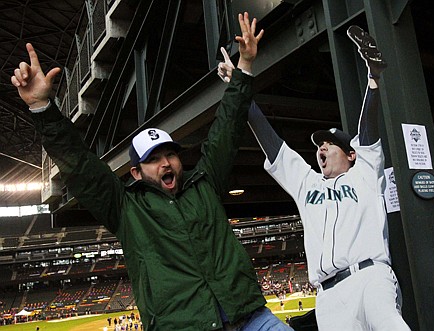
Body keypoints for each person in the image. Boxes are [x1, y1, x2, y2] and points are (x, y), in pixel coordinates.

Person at [12, 12, 293, 331]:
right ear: (135, 172)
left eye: (170, 154)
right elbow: (80, 166)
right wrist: (43, 110)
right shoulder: (126, 210)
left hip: (251, 317)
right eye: (154, 158)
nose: (166, 163)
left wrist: (244, 68)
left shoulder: (204, 184)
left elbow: (226, 127)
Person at [218, 26, 411, 330]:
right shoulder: (307, 183)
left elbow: (369, 133)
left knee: (389, 323)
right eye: (319, 144)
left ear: (351, 154)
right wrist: (239, 87)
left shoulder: (365, 172)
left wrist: (373, 82)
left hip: (369, 276)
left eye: (330, 144)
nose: (321, 147)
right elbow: (273, 144)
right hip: (328, 297)